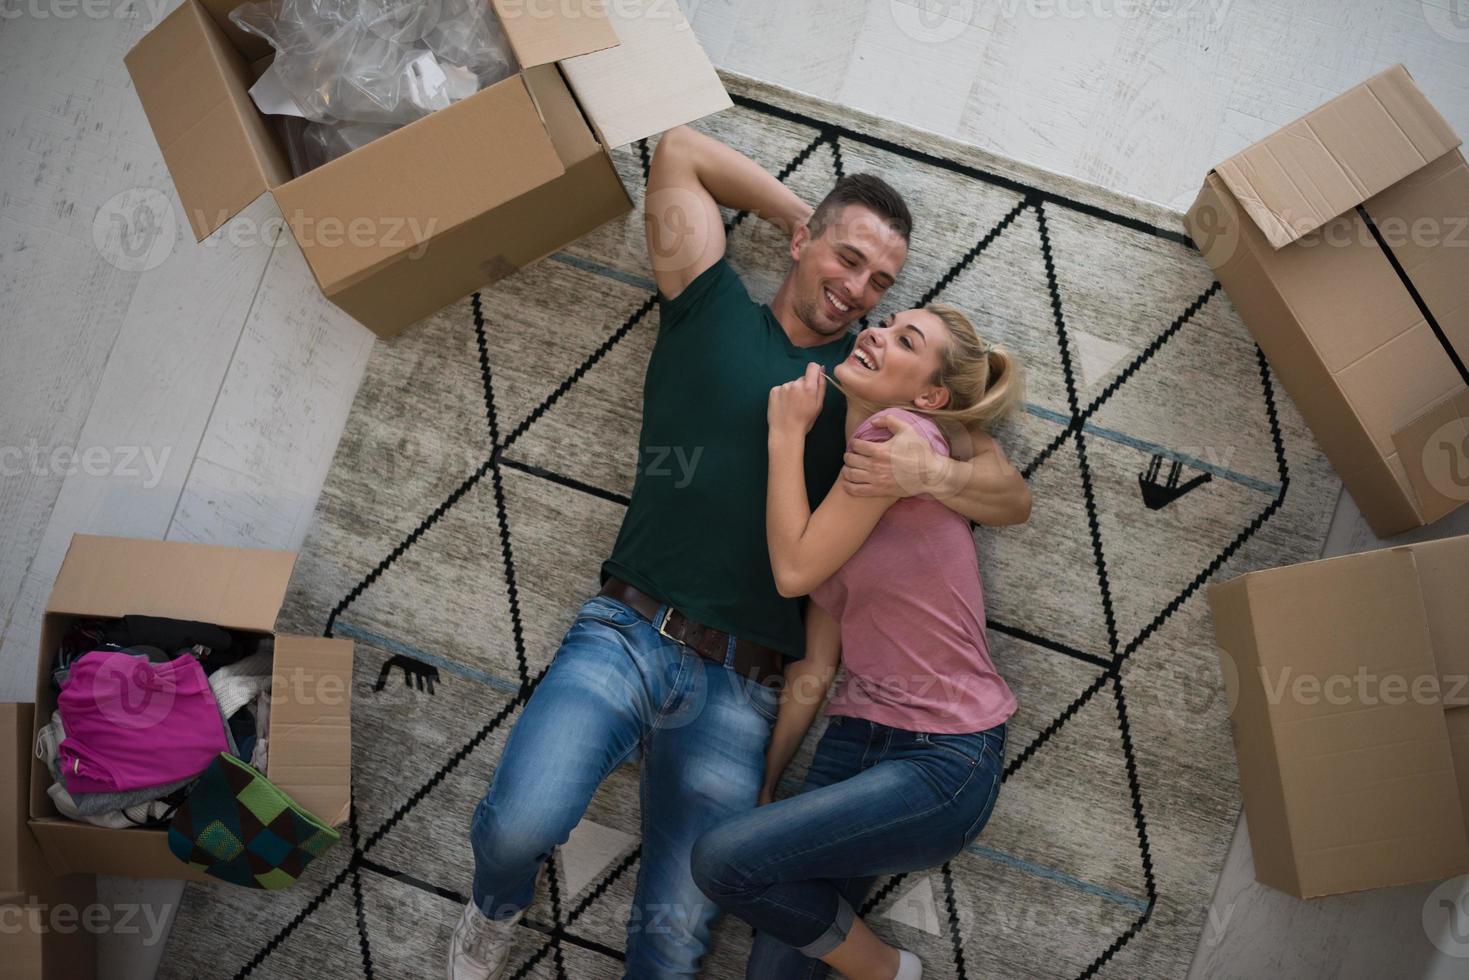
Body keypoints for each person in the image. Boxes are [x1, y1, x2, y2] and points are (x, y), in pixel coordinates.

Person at [447, 124, 1032, 980]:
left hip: (743, 686)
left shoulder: (870, 393)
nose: (859, 292)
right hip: (625, 630)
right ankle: (494, 906)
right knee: (519, 825)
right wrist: (817, 232)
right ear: (798, 240)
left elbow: (1006, 492)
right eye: (849, 261)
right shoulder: (707, 302)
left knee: (675, 939)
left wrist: (921, 465)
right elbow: (680, 151)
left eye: (881, 284)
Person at [689, 305, 1022, 980]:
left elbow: (791, 572)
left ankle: (891, 973)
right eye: (886, 321)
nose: (874, 331)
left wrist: (784, 436)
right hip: (856, 743)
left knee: (721, 862)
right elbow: (815, 665)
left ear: (928, 397)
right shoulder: (854, 480)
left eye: (906, 339)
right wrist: (769, 786)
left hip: (941, 761)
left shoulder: (896, 435)